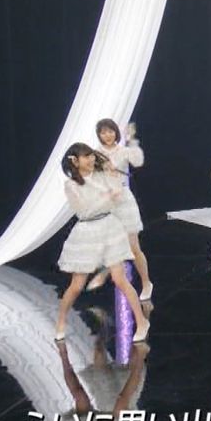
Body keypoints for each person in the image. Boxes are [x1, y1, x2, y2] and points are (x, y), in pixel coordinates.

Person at [54, 143, 151, 342]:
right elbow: (84, 211)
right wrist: (106, 197)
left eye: (91, 155)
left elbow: (118, 196)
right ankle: (61, 321)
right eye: (86, 156)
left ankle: (142, 322)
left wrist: (112, 183)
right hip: (86, 232)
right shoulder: (71, 185)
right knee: (76, 286)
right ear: (75, 161)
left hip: (109, 228)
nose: (91, 159)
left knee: (120, 279)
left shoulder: (102, 176)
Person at [88, 119, 154, 301]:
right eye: (103, 132)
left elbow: (138, 161)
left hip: (124, 200)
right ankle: (107, 274)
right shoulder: (95, 154)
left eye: (110, 131)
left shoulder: (123, 151)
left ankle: (147, 283)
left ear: (116, 133)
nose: (107, 135)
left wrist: (132, 140)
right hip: (107, 202)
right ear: (99, 135)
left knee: (134, 246)